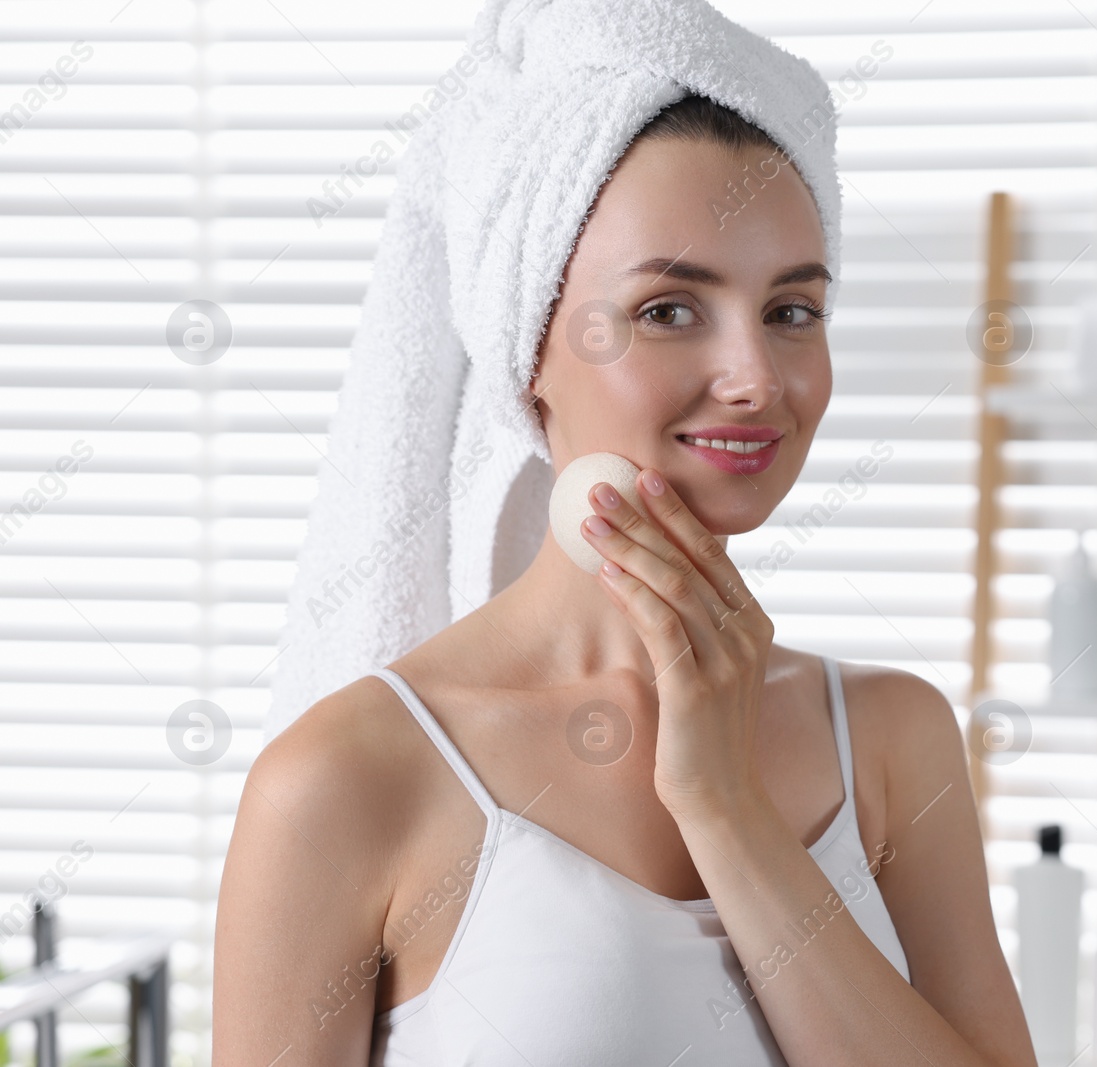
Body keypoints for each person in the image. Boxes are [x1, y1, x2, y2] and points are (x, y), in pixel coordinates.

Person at [213, 87, 1036, 1067]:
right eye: (669, 308)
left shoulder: (893, 737)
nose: (755, 377)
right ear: (530, 359)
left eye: (791, 309)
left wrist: (724, 804)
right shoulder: (348, 777)